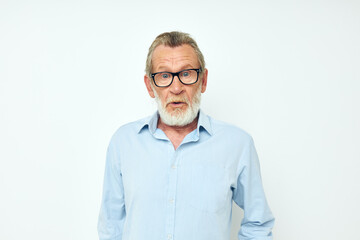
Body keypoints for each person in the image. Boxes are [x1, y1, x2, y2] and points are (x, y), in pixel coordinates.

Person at [97, 31, 275, 240]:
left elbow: (258, 224)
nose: (176, 87)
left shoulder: (238, 145)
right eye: (164, 75)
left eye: (186, 73)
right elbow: (111, 227)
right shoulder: (124, 142)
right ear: (149, 86)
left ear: (204, 80)